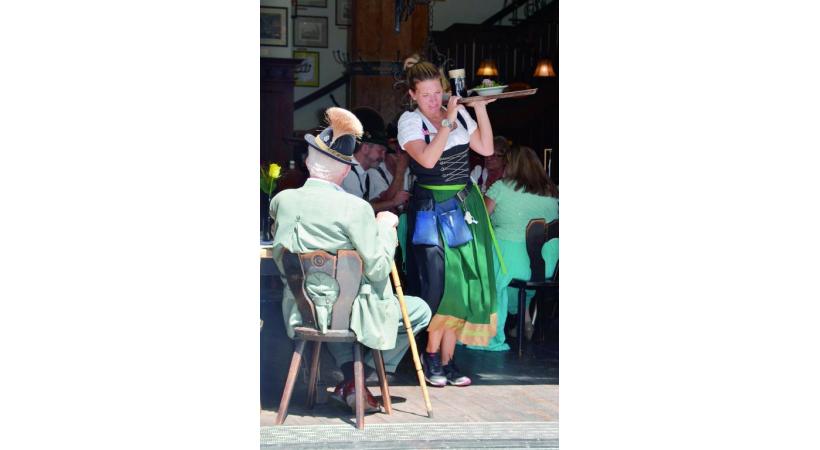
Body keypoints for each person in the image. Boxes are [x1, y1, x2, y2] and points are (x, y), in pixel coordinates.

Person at [269, 107, 431, 412]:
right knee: (419, 309)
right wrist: (386, 228)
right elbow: (380, 269)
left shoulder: (281, 201)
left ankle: (349, 379)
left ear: (307, 162)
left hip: (302, 311)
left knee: (338, 299)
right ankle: (360, 378)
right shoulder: (355, 209)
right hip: (348, 314)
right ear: (344, 170)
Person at [397, 60, 502, 387]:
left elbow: (486, 148)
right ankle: (430, 357)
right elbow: (427, 159)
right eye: (425, 95)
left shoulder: (457, 112)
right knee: (438, 286)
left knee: (462, 285)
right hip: (431, 209)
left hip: (464, 206)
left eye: (437, 93)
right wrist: (448, 121)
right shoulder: (409, 121)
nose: (433, 100)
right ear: (413, 94)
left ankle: (448, 360)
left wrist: (480, 109)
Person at [469, 145, 559, 351]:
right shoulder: (552, 191)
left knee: (486, 258)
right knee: (507, 262)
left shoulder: (501, 187)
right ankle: (525, 317)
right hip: (547, 267)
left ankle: (483, 327)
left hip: (514, 264)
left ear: (511, 165)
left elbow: (479, 218)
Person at [341, 107, 410, 213]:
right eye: (381, 150)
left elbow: (372, 203)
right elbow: (358, 211)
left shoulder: (363, 173)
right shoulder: (348, 173)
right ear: (365, 148)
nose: (383, 157)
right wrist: (393, 202)